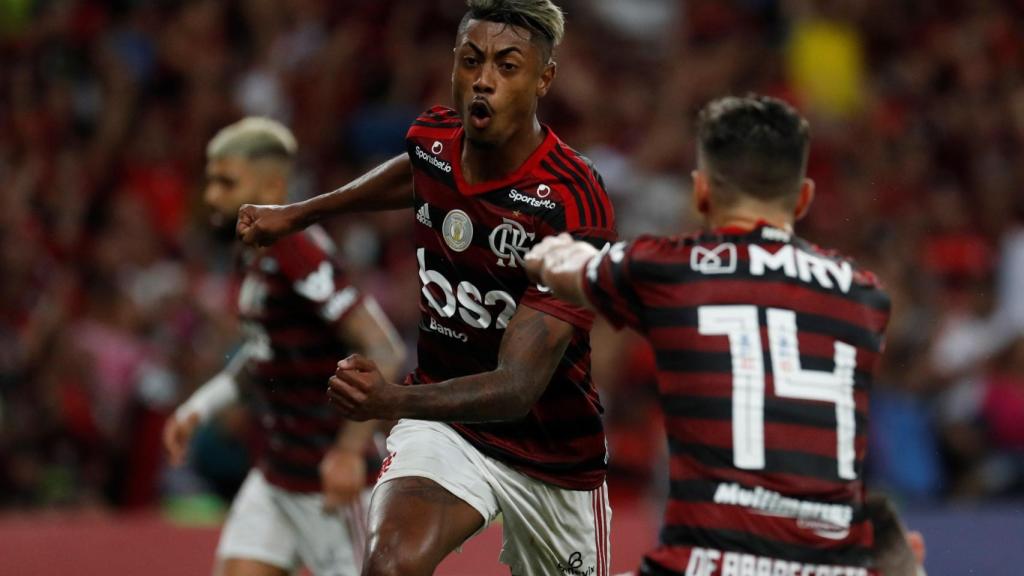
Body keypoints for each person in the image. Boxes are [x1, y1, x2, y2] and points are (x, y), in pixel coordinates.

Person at [235, 1, 617, 574]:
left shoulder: (571, 201)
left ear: (544, 79)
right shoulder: (434, 139)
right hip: (445, 426)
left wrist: (390, 401)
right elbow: (415, 171)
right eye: (471, 61)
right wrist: (299, 214)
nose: (484, 79)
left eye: (508, 66)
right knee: (390, 564)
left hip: (553, 456)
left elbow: (517, 388)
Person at [525, 95, 892, 576]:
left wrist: (547, 250)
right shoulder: (864, 294)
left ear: (701, 194)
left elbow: (560, 264)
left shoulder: (668, 269)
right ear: (802, 198)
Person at [163, 117, 406, 576]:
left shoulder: (298, 249)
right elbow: (261, 354)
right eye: (210, 181)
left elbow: (385, 348)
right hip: (277, 476)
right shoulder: (253, 249)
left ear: (272, 184)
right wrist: (198, 407)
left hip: (330, 484)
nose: (212, 196)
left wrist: (351, 450)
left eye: (226, 182)